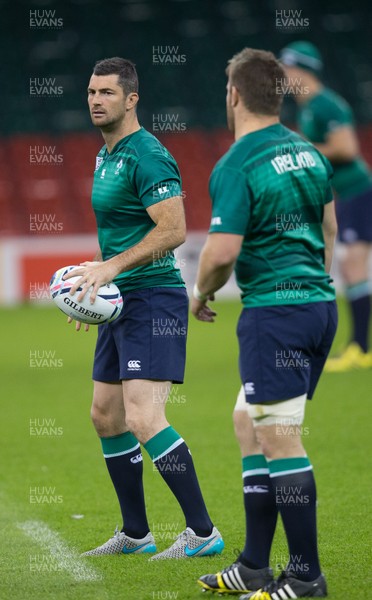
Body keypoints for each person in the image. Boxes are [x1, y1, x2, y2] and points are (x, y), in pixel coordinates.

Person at [192, 48, 337, 598]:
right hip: (316, 308)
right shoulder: (307, 152)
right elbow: (328, 228)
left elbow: (221, 252)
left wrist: (200, 292)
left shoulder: (237, 162)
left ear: (234, 95)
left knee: (280, 439)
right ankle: (254, 564)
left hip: (275, 315)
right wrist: (313, 292)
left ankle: (305, 576)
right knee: (246, 421)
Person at [66, 57, 223, 559]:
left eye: (107, 93)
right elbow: (122, 232)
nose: (95, 100)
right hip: (119, 304)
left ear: (132, 99)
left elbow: (174, 229)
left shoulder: (147, 154)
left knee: (143, 416)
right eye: (91, 92)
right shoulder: (104, 155)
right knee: (105, 415)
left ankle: (203, 533)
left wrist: (112, 270)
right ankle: (136, 533)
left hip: (154, 298)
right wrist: (90, 289)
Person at [280, 41, 372, 372]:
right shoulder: (308, 107)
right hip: (346, 195)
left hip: (358, 192)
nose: (283, 77)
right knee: (351, 267)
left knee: (353, 265)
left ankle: (361, 348)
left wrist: (301, 148)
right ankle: (359, 347)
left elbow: (346, 148)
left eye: (287, 70)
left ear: (301, 70)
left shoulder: (325, 105)